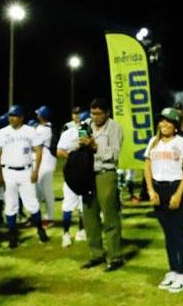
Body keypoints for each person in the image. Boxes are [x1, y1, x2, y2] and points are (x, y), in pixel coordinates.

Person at [144, 108, 183, 293]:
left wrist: (179, 194)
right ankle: (173, 270)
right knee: (168, 233)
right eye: (162, 121)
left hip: (176, 188)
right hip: (158, 190)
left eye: (169, 122)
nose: (164, 125)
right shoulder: (153, 142)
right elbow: (147, 167)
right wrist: (150, 190)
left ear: (175, 125)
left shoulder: (182, 142)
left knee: (178, 232)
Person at [0, 105, 50, 247]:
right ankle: (13, 235)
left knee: (32, 204)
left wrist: (36, 171)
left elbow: (38, 150)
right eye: (10, 115)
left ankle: (40, 229)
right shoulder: (2, 132)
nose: (12, 118)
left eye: (15, 115)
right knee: (10, 205)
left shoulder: (30, 131)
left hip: (26, 171)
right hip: (8, 172)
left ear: (22, 117)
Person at [78, 98, 125, 271]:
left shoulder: (115, 128)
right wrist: (82, 145)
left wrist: (95, 146)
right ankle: (96, 254)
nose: (95, 117)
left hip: (106, 173)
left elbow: (114, 154)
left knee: (110, 216)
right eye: (92, 113)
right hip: (88, 174)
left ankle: (115, 256)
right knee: (89, 217)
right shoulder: (85, 126)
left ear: (107, 113)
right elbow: (81, 147)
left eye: (98, 113)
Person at [56, 111, 88, 247]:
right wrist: (74, 159)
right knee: (69, 204)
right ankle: (66, 234)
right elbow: (59, 151)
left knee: (82, 204)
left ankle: (80, 231)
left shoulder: (89, 133)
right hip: (72, 173)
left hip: (85, 173)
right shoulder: (72, 132)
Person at [34, 105, 57, 226]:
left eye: (38, 114)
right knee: (38, 190)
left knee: (47, 190)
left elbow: (34, 145)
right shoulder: (41, 127)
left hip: (46, 160)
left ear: (42, 116)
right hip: (41, 159)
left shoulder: (46, 129)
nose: (37, 115)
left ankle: (49, 217)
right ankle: (38, 216)